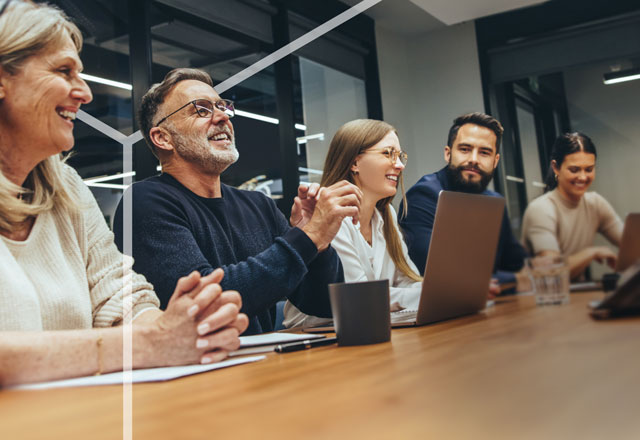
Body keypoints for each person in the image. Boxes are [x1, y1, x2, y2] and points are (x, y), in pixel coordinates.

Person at [0, 1, 247, 386]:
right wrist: (151, 342)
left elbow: (120, 295)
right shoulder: (150, 199)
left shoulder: (67, 187)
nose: (84, 93)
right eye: (64, 71)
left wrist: (173, 325)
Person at [113, 68, 362, 335]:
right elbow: (206, 306)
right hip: (198, 371)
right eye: (201, 109)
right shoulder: (144, 202)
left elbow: (323, 304)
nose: (222, 117)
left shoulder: (259, 205)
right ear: (162, 138)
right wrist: (307, 237)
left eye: (222, 107)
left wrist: (318, 246)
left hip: (263, 366)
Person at [283, 120, 423, 328]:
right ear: (354, 163)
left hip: (366, 326)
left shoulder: (386, 215)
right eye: (388, 153)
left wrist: (438, 292)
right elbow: (359, 296)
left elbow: (407, 281)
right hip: (315, 336)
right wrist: (421, 295)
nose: (400, 165)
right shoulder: (329, 214)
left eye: (400, 156)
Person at [399, 113, 527, 289]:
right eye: (465, 149)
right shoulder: (423, 196)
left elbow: (518, 265)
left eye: (484, 152)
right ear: (448, 153)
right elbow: (438, 271)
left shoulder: (494, 202)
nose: (474, 159)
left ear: (495, 161)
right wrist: (516, 279)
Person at [521, 132, 622, 280]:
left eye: (589, 169)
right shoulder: (541, 209)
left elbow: (631, 242)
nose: (582, 177)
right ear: (556, 168)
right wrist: (591, 253)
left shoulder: (595, 203)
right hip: (538, 297)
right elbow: (551, 270)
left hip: (575, 294)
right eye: (574, 170)